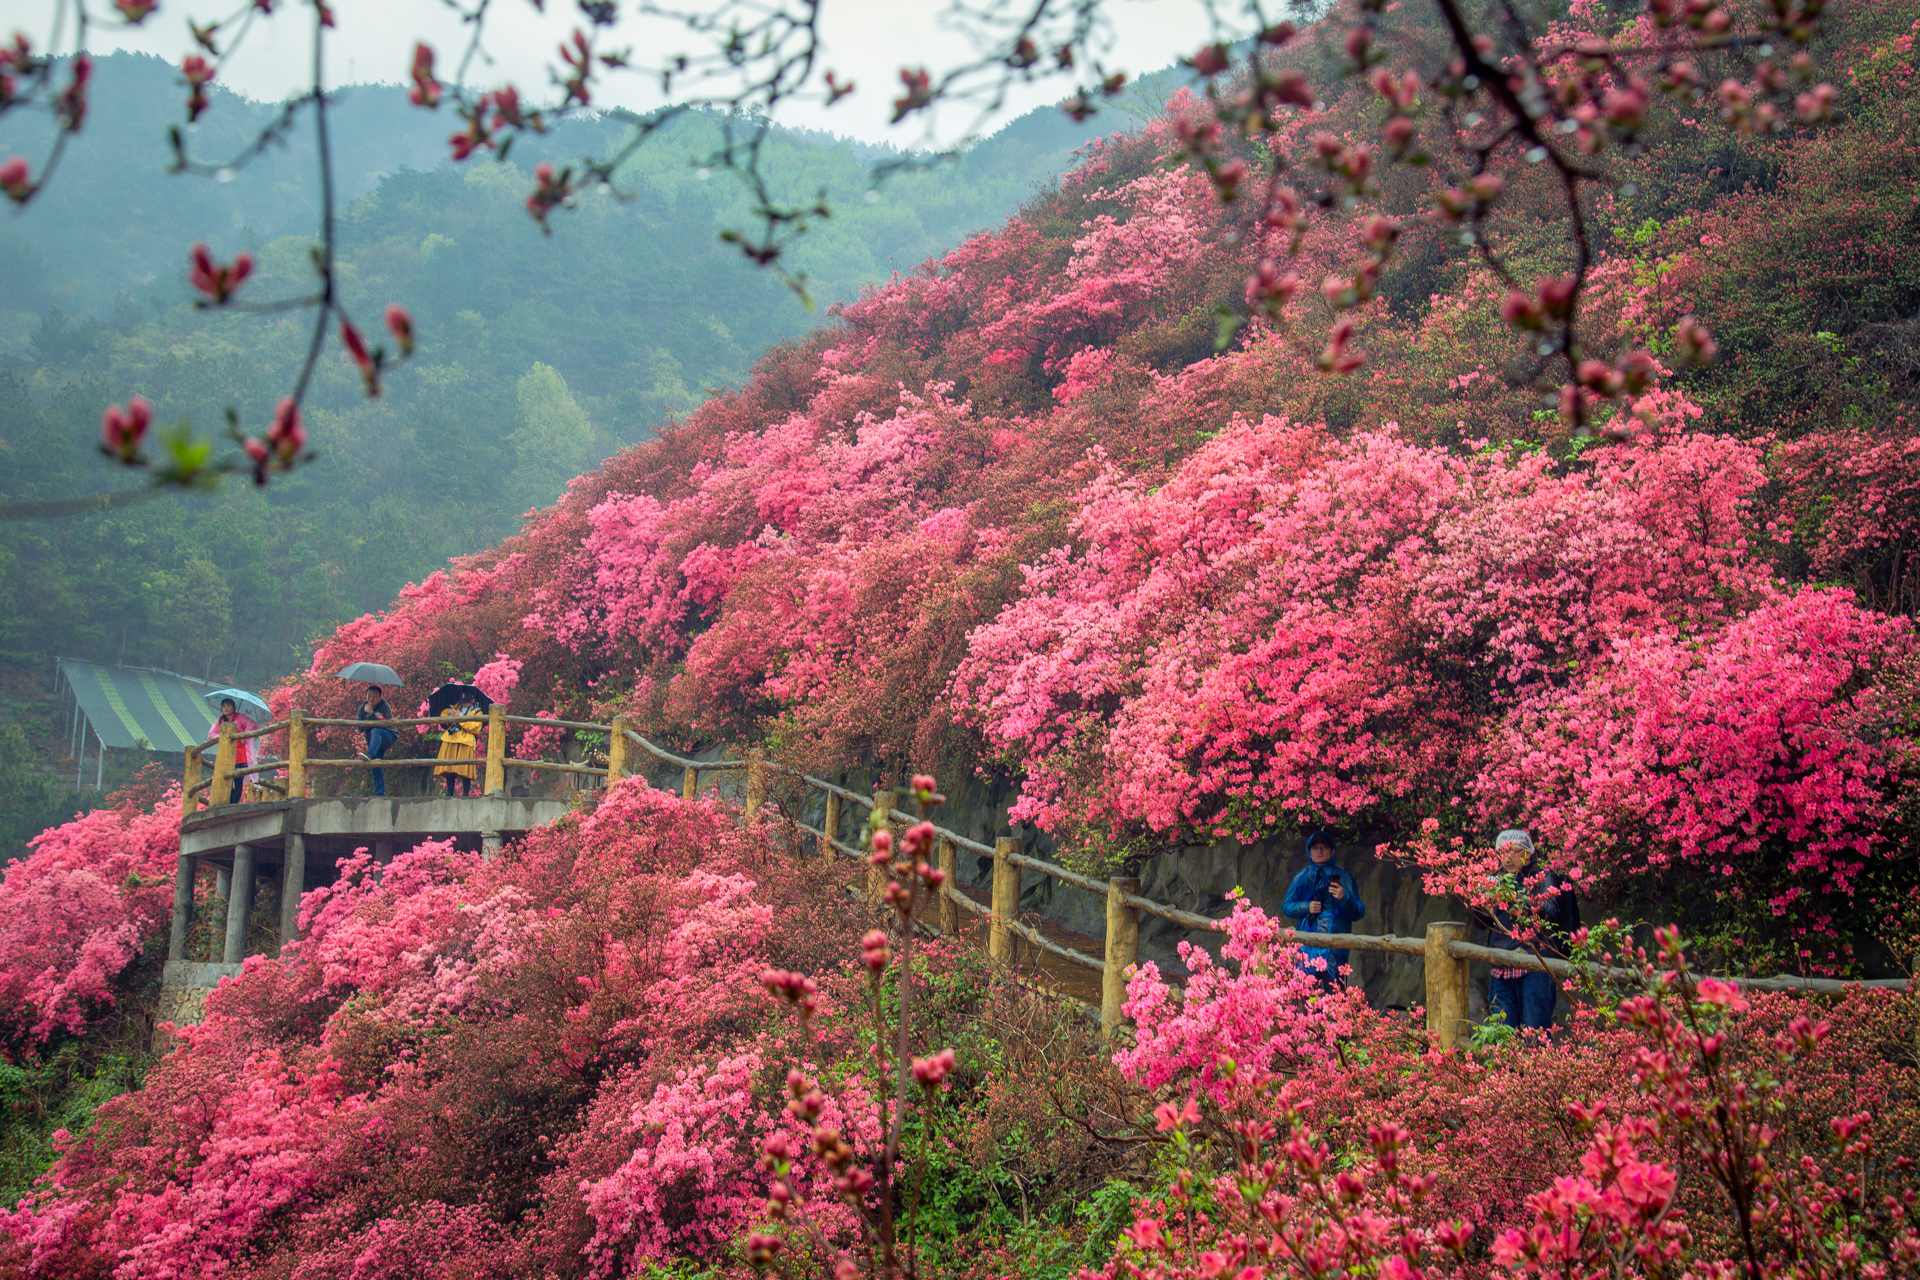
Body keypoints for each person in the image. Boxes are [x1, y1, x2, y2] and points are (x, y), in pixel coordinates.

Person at [1472, 829, 1579, 1034]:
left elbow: (1551, 912)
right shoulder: (1495, 880)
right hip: (1501, 967)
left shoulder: (1543, 877)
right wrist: (1479, 902)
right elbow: (1481, 922)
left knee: (1535, 1036)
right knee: (1502, 1037)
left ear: (1528, 854)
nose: (1508, 858)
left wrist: (1513, 898)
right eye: (1503, 852)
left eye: (1514, 851)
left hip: (1534, 967)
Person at [1282, 831, 1367, 988]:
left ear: (1332, 851)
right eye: (1315, 848)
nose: (1320, 851)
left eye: (1324, 847)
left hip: (1334, 947)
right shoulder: (1303, 876)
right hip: (1307, 944)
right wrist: (1306, 907)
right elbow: (1286, 906)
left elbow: (1359, 911)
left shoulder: (1344, 877)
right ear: (1309, 851)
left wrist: (1344, 897)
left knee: (1334, 995)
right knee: (1308, 997)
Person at [207, 698, 259, 804]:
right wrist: (224, 737)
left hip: (241, 754)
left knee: (238, 780)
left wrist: (244, 736)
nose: (226, 708)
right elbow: (211, 734)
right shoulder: (220, 721)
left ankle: (234, 803)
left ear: (233, 707)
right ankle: (230, 801)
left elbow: (252, 725)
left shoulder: (240, 717)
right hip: (227, 754)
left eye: (228, 706)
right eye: (224, 706)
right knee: (228, 779)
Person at [433, 698, 482, 797]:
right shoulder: (456, 707)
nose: (463, 703)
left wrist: (461, 718)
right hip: (450, 738)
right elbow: (443, 719)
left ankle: (465, 793)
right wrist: (449, 713)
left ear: (472, 700)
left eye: (466, 700)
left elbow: (474, 727)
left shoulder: (477, 712)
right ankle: (449, 792)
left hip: (465, 740)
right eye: (462, 700)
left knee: (464, 768)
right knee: (449, 767)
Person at [356, 685, 395, 797]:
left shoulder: (385, 706)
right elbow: (360, 728)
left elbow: (385, 722)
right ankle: (380, 795)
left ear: (380, 697)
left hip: (388, 735)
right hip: (374, 741)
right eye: (369, 696)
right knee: (376, 768)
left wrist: (372, 714)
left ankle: (371, 754)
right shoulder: (362, 709)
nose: (372, 699)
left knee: (376, 730)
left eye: (375, 696)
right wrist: (372, 715)